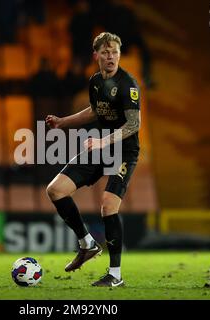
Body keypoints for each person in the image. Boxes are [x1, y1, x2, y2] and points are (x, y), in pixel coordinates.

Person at [45, 32, 141, 287]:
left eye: (115, 52)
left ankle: (115, 275)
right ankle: (87, 244)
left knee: (108, 206)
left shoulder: (128, 84)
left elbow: (134, 124)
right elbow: (94, 111)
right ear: (96, 55)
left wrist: (103, 141)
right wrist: (63, 122)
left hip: (123, 151)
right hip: (100, 146)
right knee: (55, 190)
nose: (111, 57)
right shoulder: (96, 81)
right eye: (106, 52)